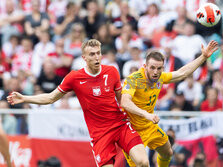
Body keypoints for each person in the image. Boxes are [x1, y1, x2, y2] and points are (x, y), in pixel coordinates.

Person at [7, 39, 149, 167]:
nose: (96, 57)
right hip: (100, 134)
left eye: (98, 53)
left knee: (143, 162)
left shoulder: (112, 71)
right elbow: (50, 98)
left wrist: (139, 112)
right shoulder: (74, 77)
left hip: (120, 125)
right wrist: (25, 98)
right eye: (92, 54)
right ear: (84, 58)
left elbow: (122, 100)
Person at [121, 40, 218, 167]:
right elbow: (125, 102)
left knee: (167, 152)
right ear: (145, 66)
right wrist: (146, 114)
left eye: (159, 68)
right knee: (143, 164)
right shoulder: (134, 79)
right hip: (131, 129)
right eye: (152, 68)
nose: (155, 72)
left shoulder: (160, 77)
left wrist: (203, 57)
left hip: (149, 126)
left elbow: (182, 73)